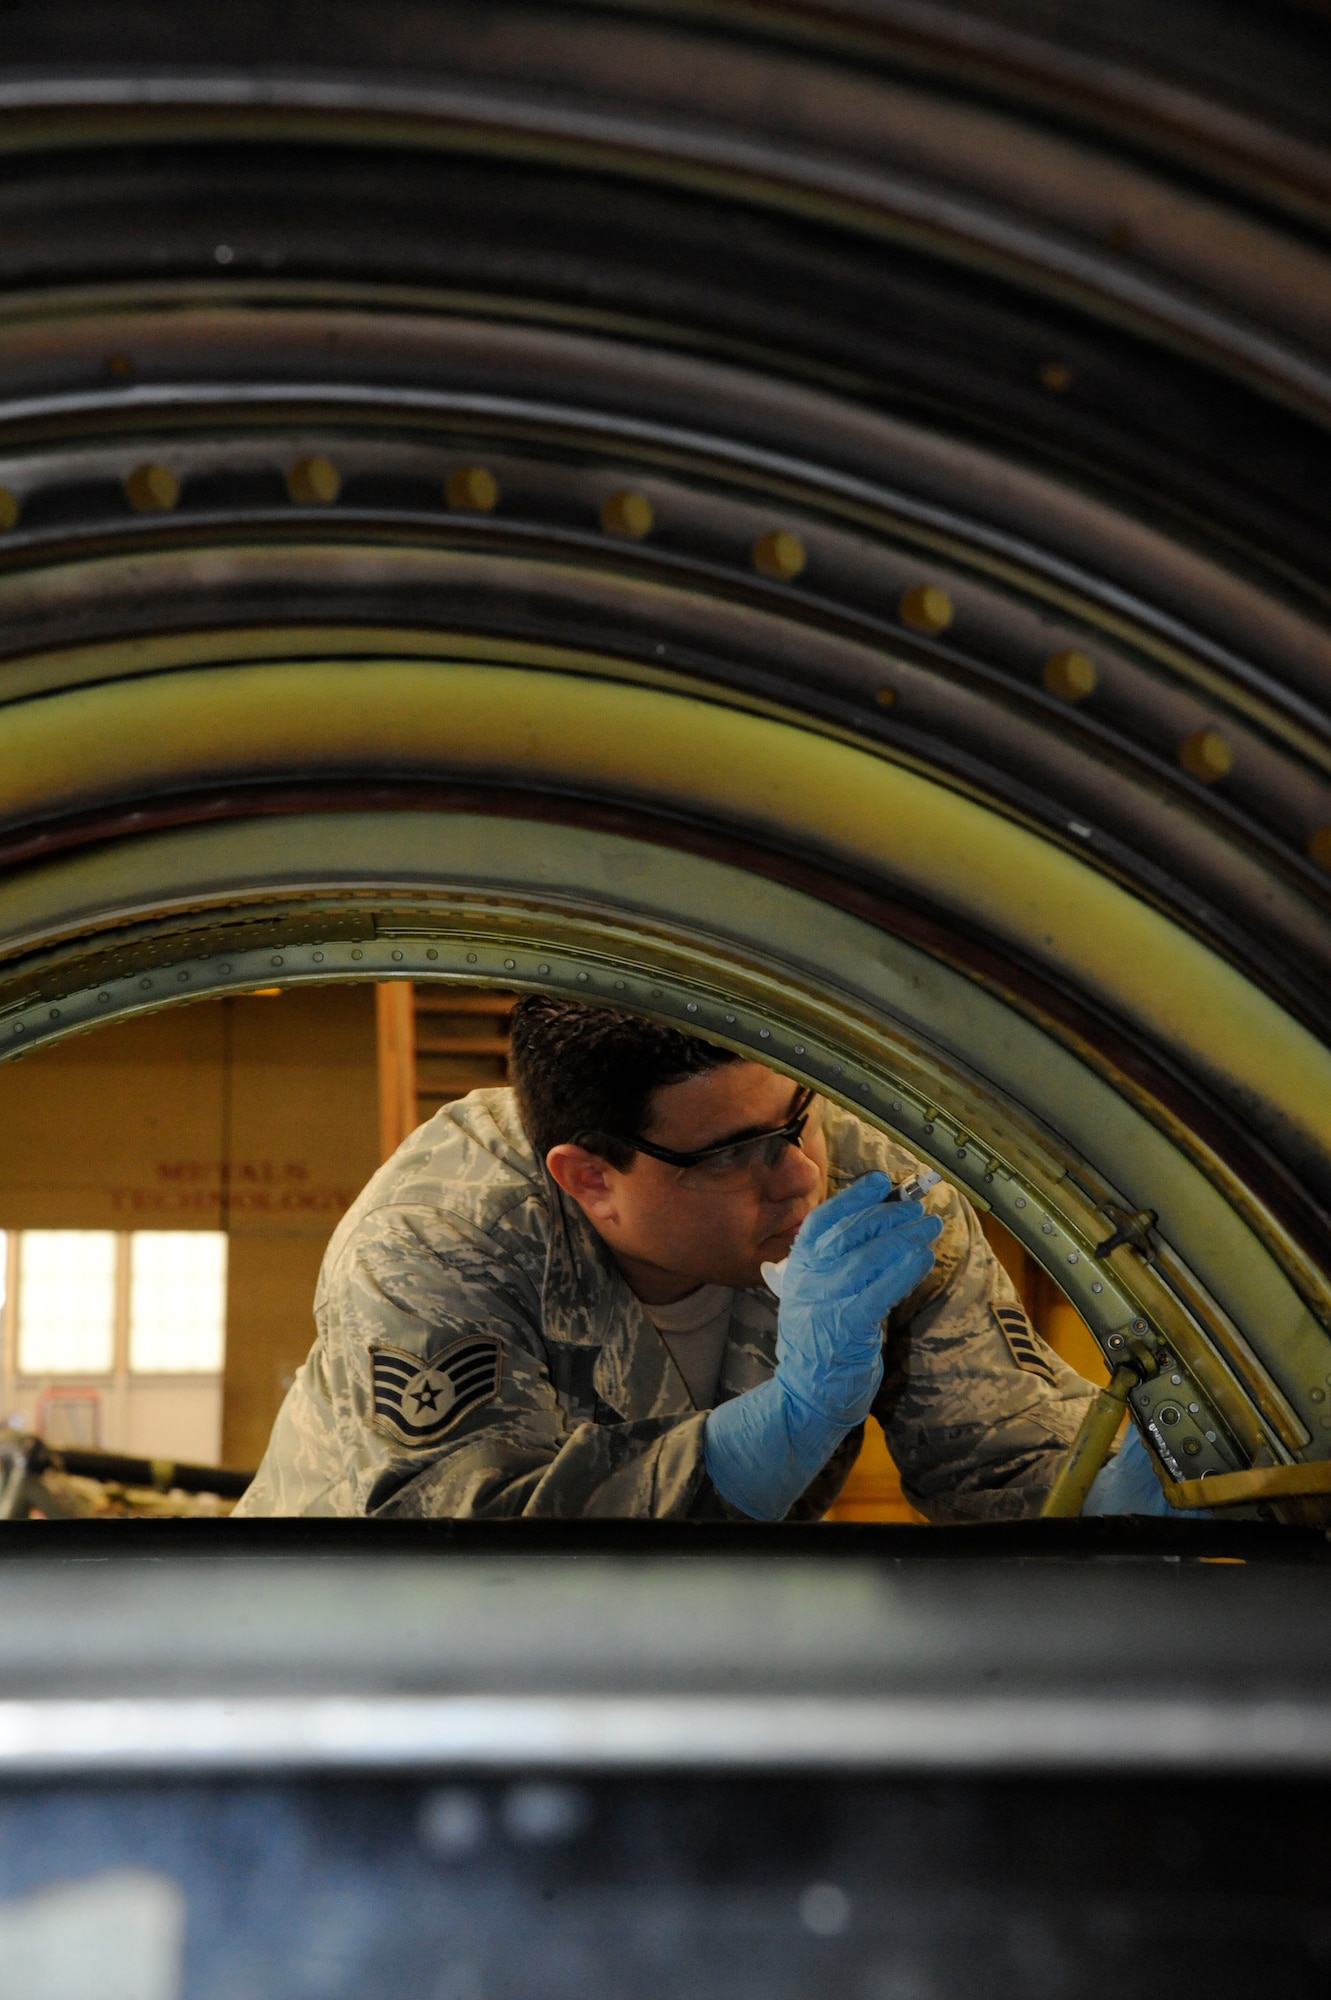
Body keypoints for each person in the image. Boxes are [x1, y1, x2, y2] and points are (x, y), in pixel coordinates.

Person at [237, 998, 1115, 1521]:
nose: (801, 1173)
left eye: (800, 1110)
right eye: (732, 1154)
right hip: (340, 1692)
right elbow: (468, 1555)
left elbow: (1001, 1460)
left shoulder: (873, 1195)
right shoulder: (439, 1234)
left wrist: (1128, 1495)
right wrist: (784, 1424)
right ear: (591, 1178)